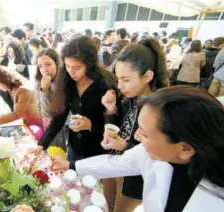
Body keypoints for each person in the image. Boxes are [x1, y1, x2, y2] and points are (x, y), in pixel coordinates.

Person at [52, 86, 224, 212]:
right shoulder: (153, 154)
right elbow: (116, 164)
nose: (136, 137)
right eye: (138, 128)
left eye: (146, 134)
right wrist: (70, 165)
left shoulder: (213, 201)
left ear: (186, 149)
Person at [98, 38, 169, 212]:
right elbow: (117, 130)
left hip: (134, 178)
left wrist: (124, 145)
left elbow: (156, 155)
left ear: (147, 76)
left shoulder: (160, 110)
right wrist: (111, 110)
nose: (119, 85)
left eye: (125, 80)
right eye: (118, 79)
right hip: (114, 163)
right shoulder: (128, 98)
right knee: (107, 204)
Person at [31, 36, 118, 165]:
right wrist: (41, 145)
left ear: (89, 64)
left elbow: (115, 125)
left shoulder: (104, 85)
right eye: (67, 65)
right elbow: (59, 116)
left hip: (97, 149)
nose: (71, 72)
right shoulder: (67, 82)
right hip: (75, 147)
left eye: (76, 68)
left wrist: (91, 125)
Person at [35, 48, 67, 151]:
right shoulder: (39, 83)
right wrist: (45, 90)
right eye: (40, 66)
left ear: (57, 63)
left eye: (48, 64)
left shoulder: (65, 81)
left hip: (68, 125)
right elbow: (46, 113)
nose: (44, 69)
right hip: (51, 126)